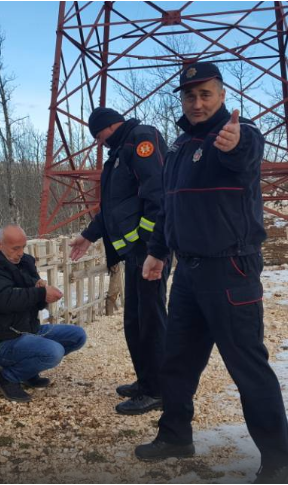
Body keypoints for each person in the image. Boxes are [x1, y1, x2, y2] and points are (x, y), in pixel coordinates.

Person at [135, 62, 288, 484]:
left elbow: (247, 151)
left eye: (206, 94)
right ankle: (175, 437)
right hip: (187, 272)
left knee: (248, 367)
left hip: (230, 269)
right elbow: (169, 207)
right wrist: (157, 252)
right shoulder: (179, 147)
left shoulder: (239, 134)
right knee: (177, 362)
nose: (197, 102)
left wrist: (236, 143)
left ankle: (279, 461)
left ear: (222, 96)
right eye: (190, 95)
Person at [68, 107, 169, 415]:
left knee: (150, 321)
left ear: (112, 125)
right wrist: (89, 235)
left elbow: (158, 196)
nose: (99, 142)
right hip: (135, 254)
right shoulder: (119, 153)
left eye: (99, 135)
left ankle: (158, 390)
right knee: (135, 321)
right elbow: (114, 207)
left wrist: (150, 245)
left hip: (148, 252)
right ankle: (146, 381)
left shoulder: (141, 140)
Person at [0, 225, 87, 403]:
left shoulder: (24, 262)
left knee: (77, 336)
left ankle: (28, 372)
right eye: (15, 248)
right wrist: (39, 293)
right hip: (3, 340)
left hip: (29, 329)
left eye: (23, 247)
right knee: (54, 352)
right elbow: (4, 300)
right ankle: (8, 377)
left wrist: (42, 292)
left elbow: (35, 301)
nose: (20, 253)